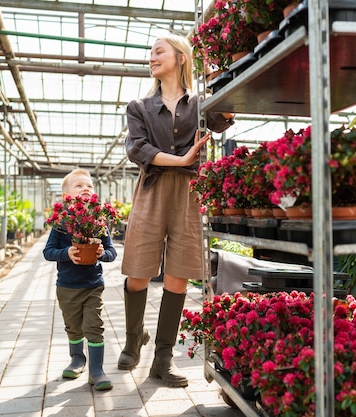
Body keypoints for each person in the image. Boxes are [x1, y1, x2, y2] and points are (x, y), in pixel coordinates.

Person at [119, 32, 234, 387]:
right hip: (152, 189)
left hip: (189, 193)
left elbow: (224, 116)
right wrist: (182, 158)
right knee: (138, 272)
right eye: (150, 53)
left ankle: (162, 357)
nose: (152, 57)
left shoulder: (199, 105)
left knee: (178, 275)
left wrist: (225, 80)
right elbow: (137, 148)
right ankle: (134, 337)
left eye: (158, 51)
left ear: (181, 57)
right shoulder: (139, 107)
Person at [43, 168, 117, 391]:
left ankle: (97, 370)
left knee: (94, 326)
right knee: (73, 327)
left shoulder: (99, 222)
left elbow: (112, 253)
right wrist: (67, 254)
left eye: (89, 186)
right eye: (79, 186)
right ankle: (77, 359)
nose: (86, 188)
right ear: (67, 197)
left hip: (93, 285)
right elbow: (48, 252)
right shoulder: (61, 223)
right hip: (66, 287)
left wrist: (100, 254)